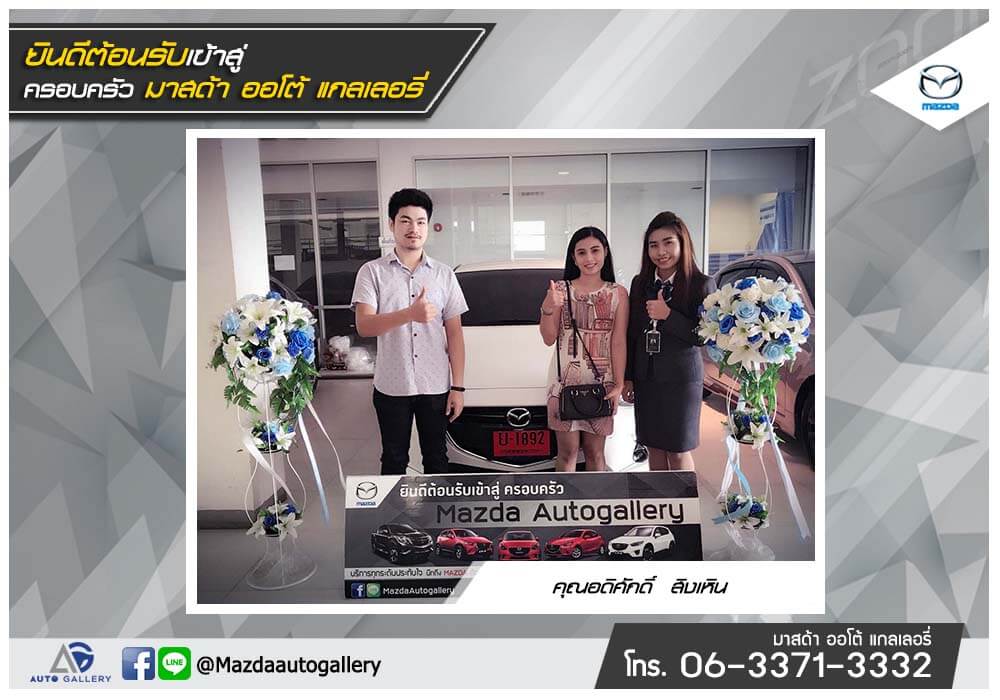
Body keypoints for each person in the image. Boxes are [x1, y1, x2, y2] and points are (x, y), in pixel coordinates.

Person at [351, 188, 468, 475]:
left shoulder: (444, 274)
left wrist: (458, 387)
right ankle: (393, 508)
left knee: (437, 459)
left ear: (428, 226)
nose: (413, 228)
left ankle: (435, 508)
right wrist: (409, 314)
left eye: (420, 221)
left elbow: (455, 334)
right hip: (392, 384)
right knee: (393, 459)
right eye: (405, 220)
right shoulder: (372, 272)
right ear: (392, 224)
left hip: (435, 385)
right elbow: (364, 325)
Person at [623, 211, 716, 470]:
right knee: (653, 447)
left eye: (668, 243)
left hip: (681, 380)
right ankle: (660, 498)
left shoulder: (701, 285)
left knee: (677, 450)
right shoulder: (640, 283)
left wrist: (668, 316)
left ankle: (684, 499)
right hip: (647, 379)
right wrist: (628, 377)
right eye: (653, 245)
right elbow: (632, 333)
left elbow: (703, 336)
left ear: (682, 244)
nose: (661, 251)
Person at [539, 226, 628, 472]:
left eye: (595, 250)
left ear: (605, 252)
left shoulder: (618, 293)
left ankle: (595, 499)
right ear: (573, 257)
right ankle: (565, 498)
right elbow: (548, 338)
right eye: (582, 252)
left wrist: (619, 384)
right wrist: (548, 308)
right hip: (563, 381)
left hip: (603, 381)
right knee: (567, 453)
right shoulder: (560, 290)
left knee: (595, 453)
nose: (589, 258)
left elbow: (618, 341)